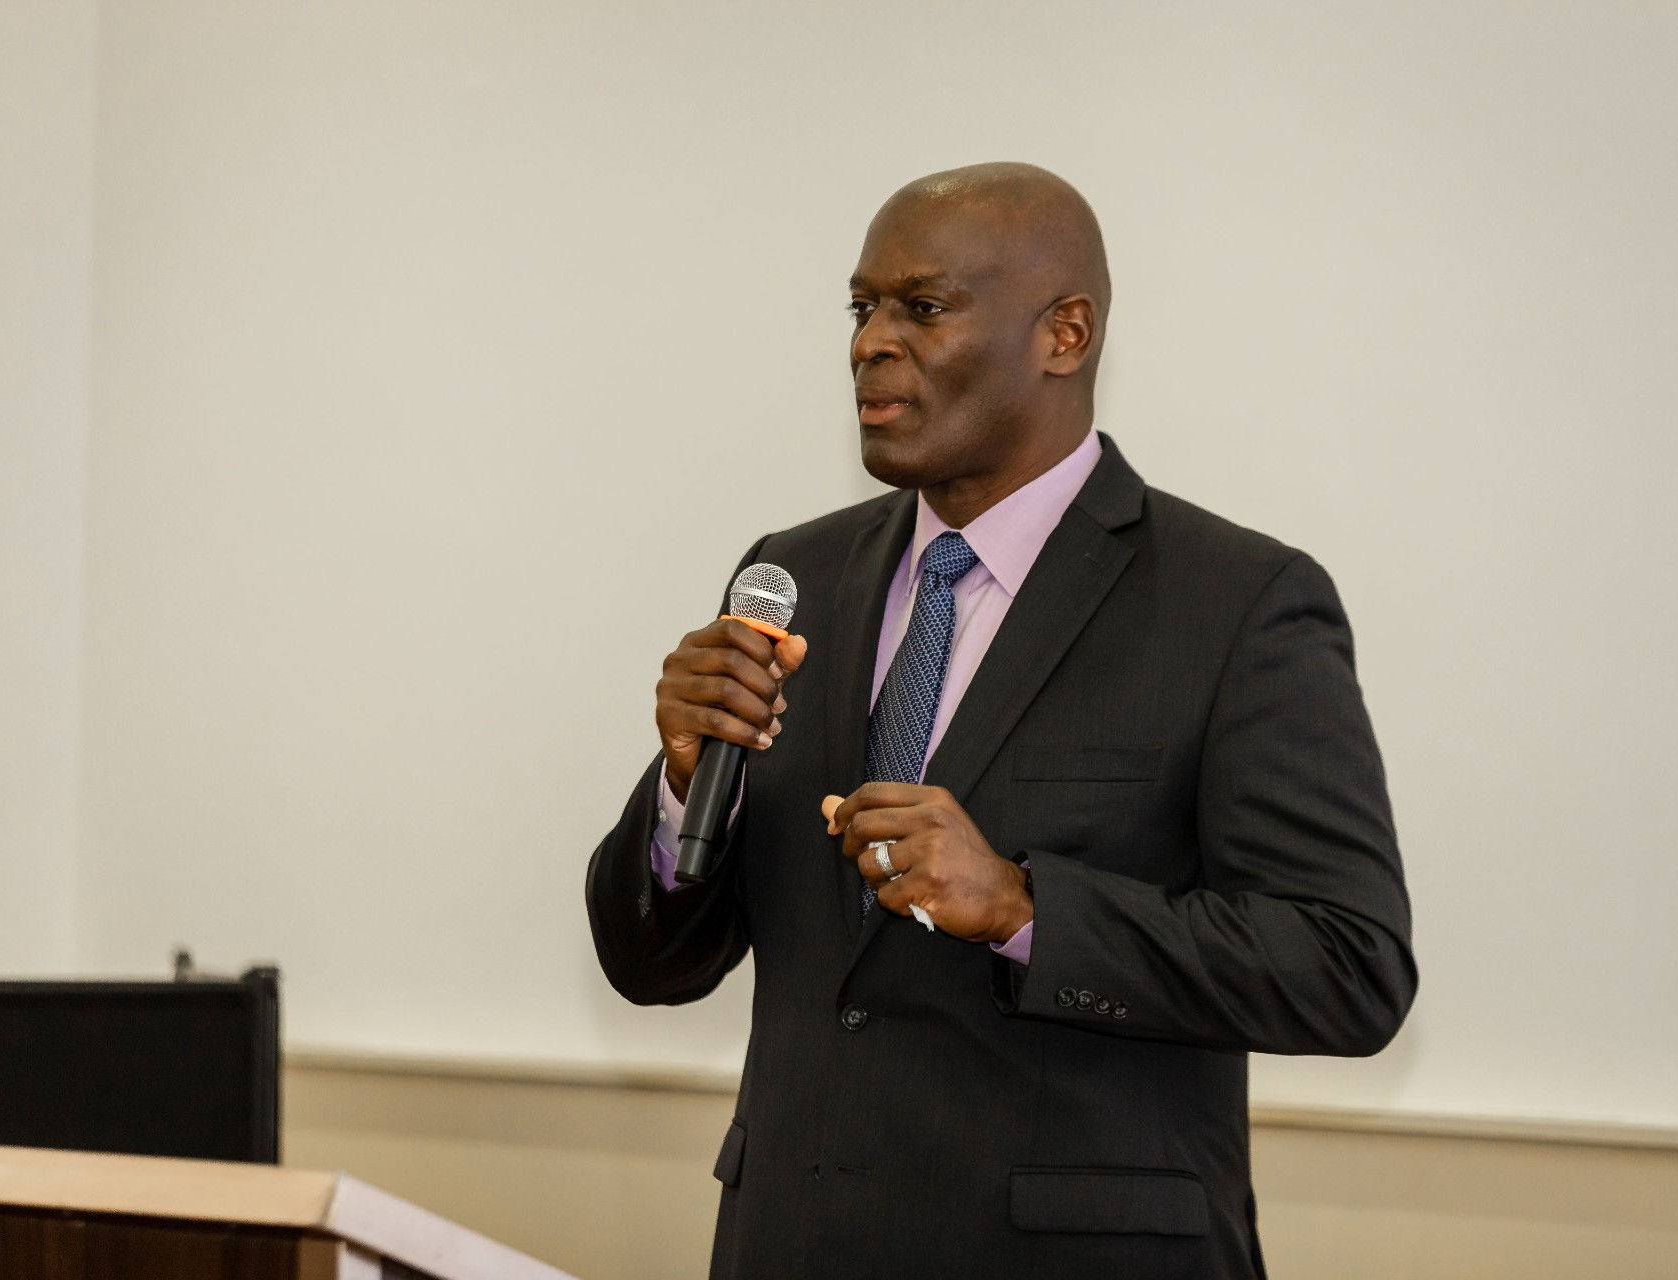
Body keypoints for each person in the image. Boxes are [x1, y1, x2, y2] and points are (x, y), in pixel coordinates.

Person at [585, 162, 1415, 1279]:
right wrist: (684, 781)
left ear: (1064, 334)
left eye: (920, 307)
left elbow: (1347, 964)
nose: (869, 342)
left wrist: (1026, 906)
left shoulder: (1237, 603)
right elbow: (652, 966)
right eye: (861, 306)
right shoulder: (794, 575)